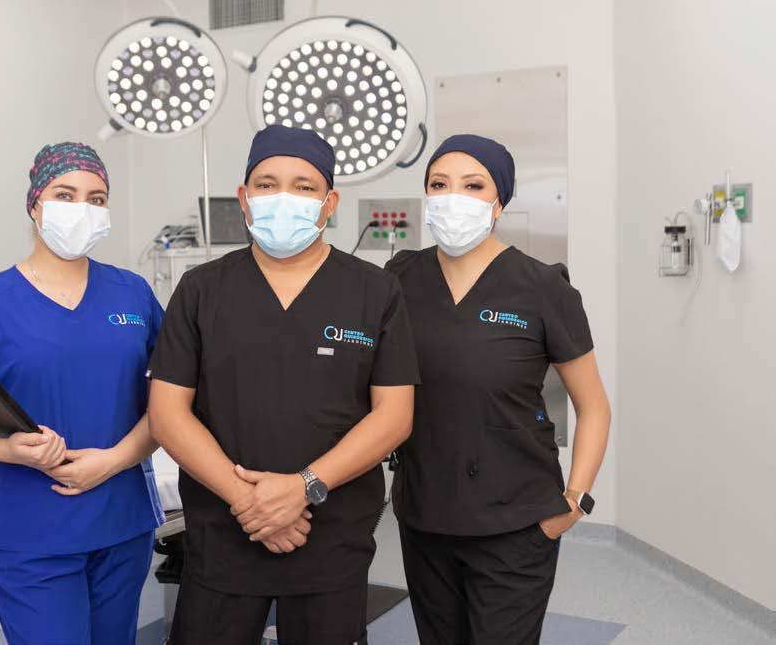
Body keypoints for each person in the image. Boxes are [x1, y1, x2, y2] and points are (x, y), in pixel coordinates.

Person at [147, 125, 421, 645]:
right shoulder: (202, 290)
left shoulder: (374, 291)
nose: (284, 198)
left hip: (329, 531)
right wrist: (247, 501)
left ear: (329, 202)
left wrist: (303, 487)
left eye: (303, 186)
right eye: (267, 185)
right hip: (225, 530)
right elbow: (167, 413)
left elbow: (393, 416)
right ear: (245, 198)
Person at [0, 142, 165, 645]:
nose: (82, 209)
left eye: (96, 198)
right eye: (65, 194)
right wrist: (8, 449)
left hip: (122, 524)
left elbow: (171, 402)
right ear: (35, 204)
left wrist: (115, 460)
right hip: (32, 532)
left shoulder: (133, 293)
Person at [385, 134, 612, 645]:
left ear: (499, 201)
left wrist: (575, 501)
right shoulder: (400, 278)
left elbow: (594, 406)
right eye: (439, 184)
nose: (453, 197)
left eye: (473, 185)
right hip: (425, 514)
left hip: (517, 521)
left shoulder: (543, 287)